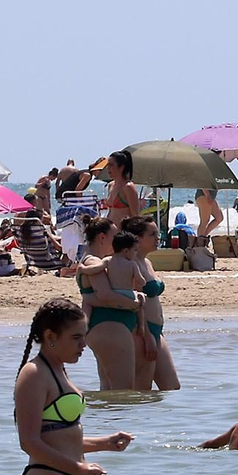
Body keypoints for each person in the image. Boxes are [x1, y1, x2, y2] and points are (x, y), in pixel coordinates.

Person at [13, 298, 178, 475]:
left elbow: (59, 436)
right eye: (76, 337)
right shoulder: (34, 374)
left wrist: (105, 443)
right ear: (50, 336)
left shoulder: (59, 370)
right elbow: (29, 442)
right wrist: (78, 467)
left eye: (85, 336)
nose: (84, 344)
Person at [76, 219, 145, 390]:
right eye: (114, 237)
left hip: (109, 329)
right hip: (110, 329)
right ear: (102, 237)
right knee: (123, 392)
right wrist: (134, 305)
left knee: (109, 391)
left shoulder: (102, 261)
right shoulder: (93, 261)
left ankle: (104, 418)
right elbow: (105, 294)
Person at [122, 217, 180, 392]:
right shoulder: (130, 264)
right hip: (141, 331)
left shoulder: (146, 262)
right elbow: (135, 304)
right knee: (142, 390)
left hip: (156, 330)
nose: (158, 238)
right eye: (152, 234)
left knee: (172, 387)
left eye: (158, 233)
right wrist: (146, 335)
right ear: (137, 238)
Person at [102, 150, 142, 224]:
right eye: (107, 165)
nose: (108, 168)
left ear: (121, 167)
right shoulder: (110, 185)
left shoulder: (128, 187)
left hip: (124, 232)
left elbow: (135, 215)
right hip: (110, 231)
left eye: (111, 165)